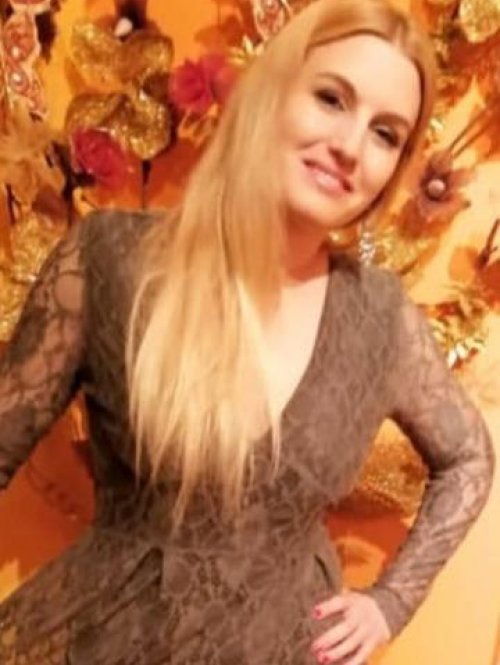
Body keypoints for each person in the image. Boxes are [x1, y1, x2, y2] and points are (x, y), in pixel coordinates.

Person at [0, 0, 495, 663]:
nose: (350, 147)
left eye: (385, 134)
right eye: (331, 98)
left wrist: (392, 600)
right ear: (273, 93)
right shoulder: (110, 259)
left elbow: (469, 458)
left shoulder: (378, 315)